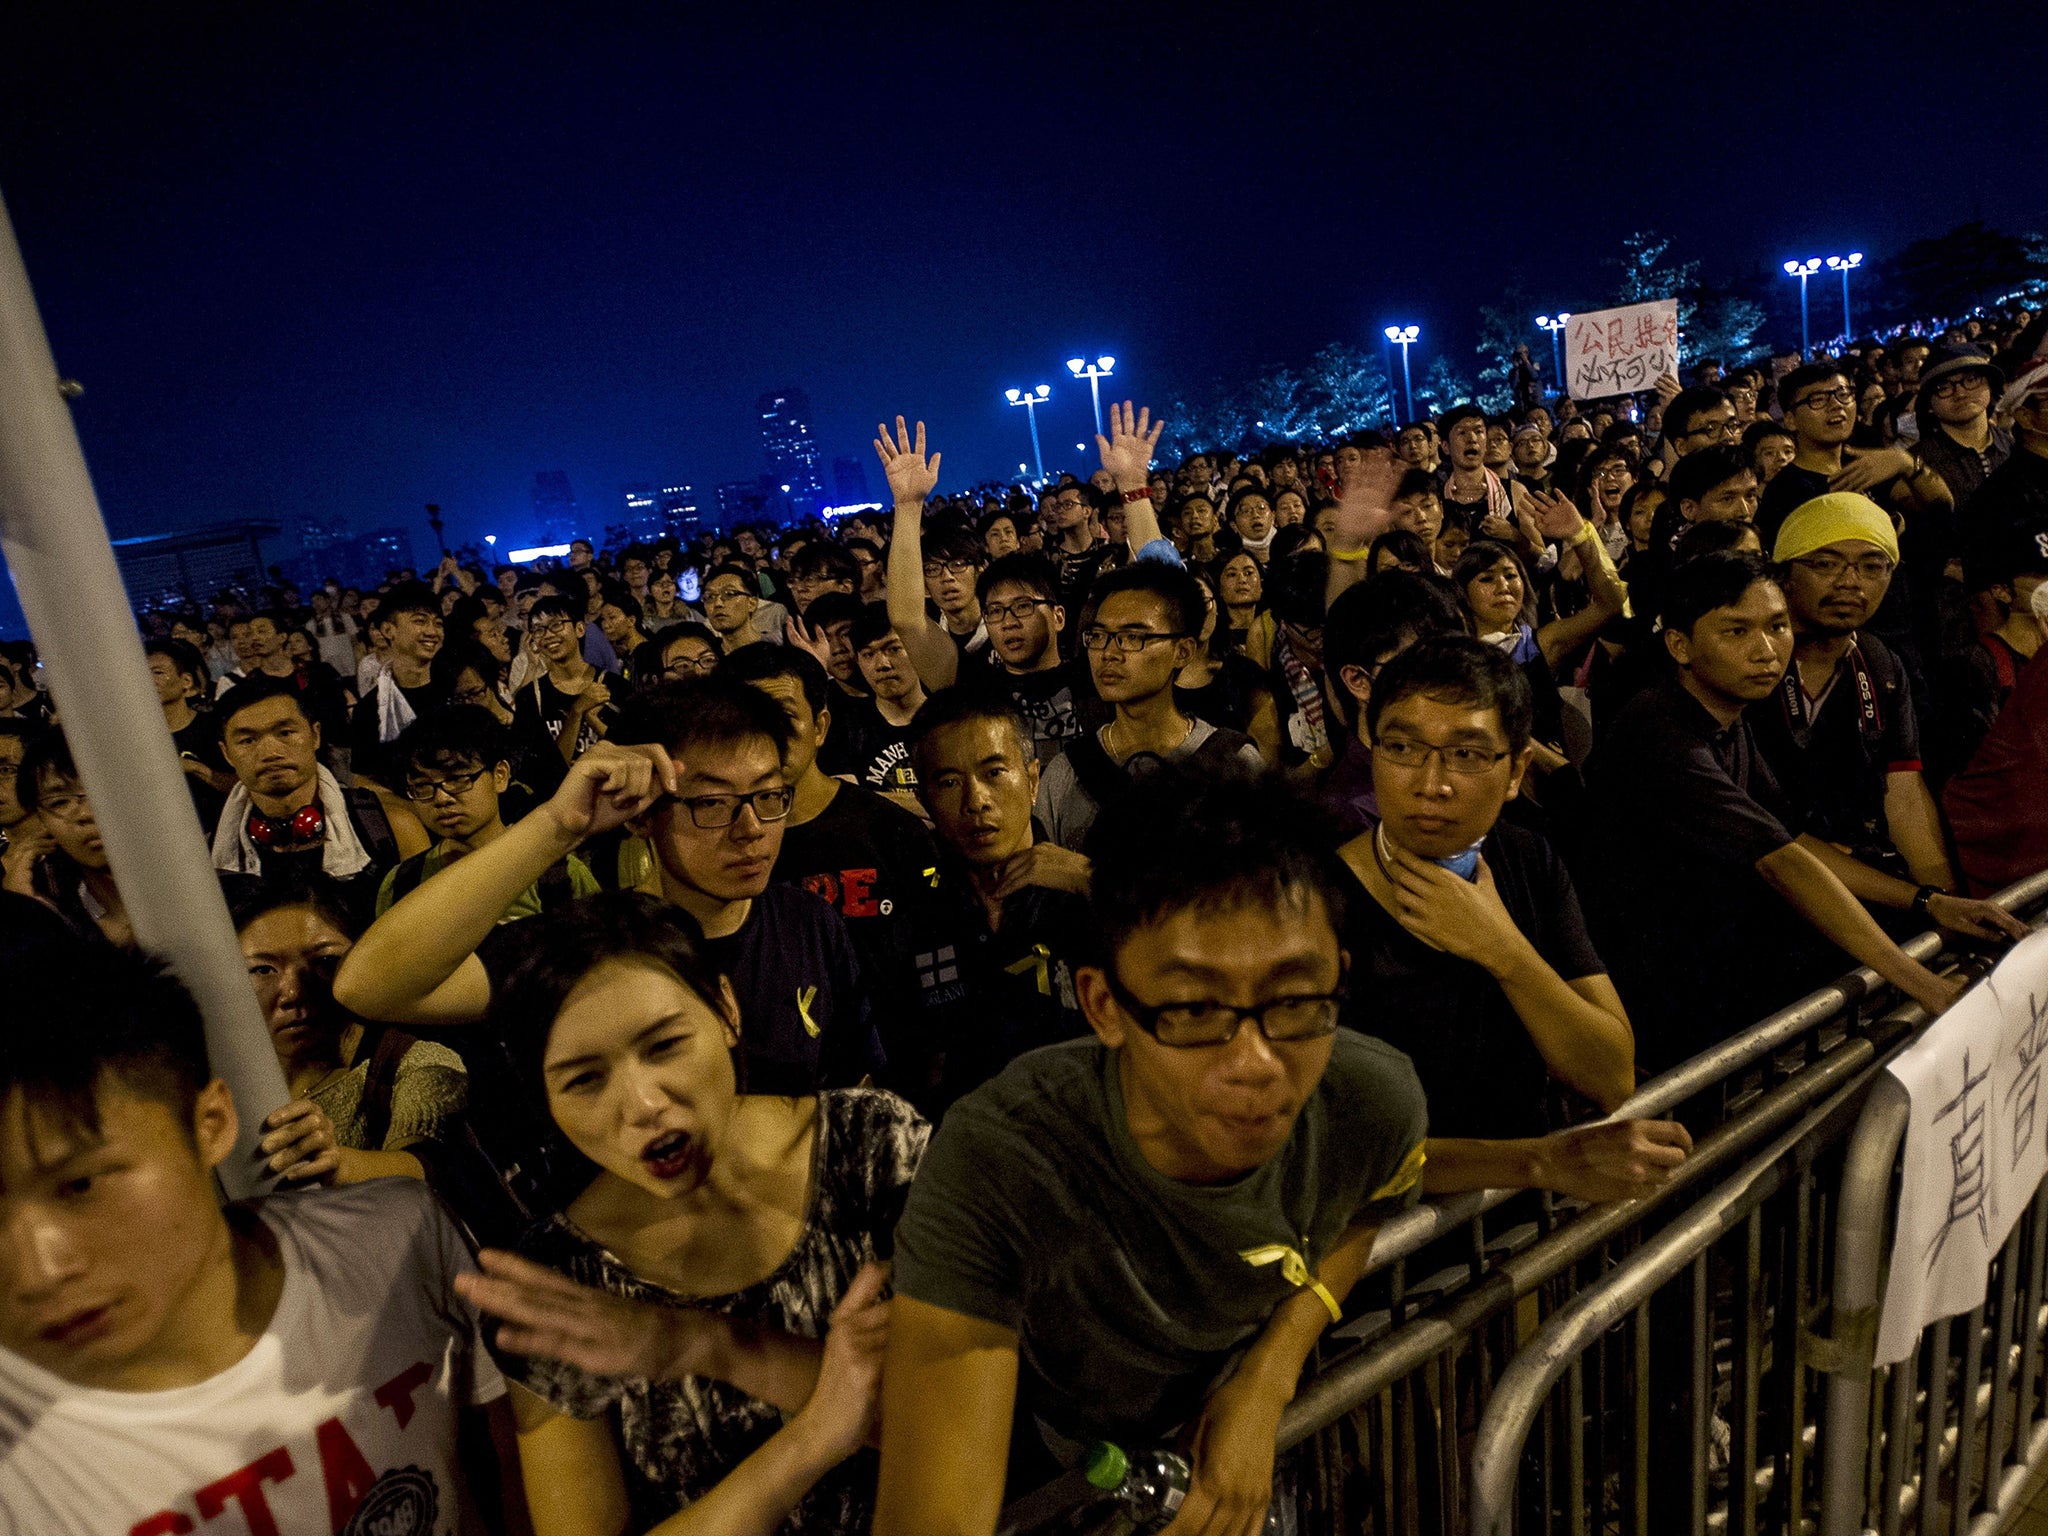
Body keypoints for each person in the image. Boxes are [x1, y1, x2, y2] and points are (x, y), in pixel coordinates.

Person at [875, 762, 1429, 1533]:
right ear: (1103, 1006)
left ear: (1338, 976)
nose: (1255, 1062)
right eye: (1194, 1007)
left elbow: (1372, 1203)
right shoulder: (1006, 1157)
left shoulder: (1369, 1098)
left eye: (1295, 997)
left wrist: (1266, 1378)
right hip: (1065, 1450)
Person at [0, 933, 512, 1534]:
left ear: (210, 1124)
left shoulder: (392, 1242)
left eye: (81, 1185)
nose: (37, 1269)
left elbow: (514, 1467)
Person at [448, 893, 925, 1536]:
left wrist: (702, 1345)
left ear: (726, 1011)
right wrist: (809, 1439)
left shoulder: (872, 1149)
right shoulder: (559, 1287)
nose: (643, 1104)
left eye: (666, 1045)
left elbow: (965, 1413)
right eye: (585, 1080)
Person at [1578, 553, 2025, 1076]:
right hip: (1657, 998)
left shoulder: (1725, 714)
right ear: (1680, 645)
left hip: (1709, 972)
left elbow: (1791, 836)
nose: (1766, 651)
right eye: (1736, 632)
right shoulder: (1663, 734)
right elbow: (1782, 861)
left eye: (1777, 626)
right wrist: (1925, 985)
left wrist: (1929, 902)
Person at [335, 677, 884, 1098]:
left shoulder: (806, 920)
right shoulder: (591, 946)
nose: (752, 831)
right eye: (712, 804)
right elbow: (372, 984)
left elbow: (851, 1083)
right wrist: (556, 825)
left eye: (769, 796)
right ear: (643, 813)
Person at [1335, 637, 1691, 1196]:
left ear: (1516, 769)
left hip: (1511, 1236)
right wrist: (1533, 1163)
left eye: (1468, 754)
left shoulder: (1527, 859)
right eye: (1401, 747)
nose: (1432, 784)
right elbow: (1324, 1144)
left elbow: (1610, 1074)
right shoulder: (1315, 900)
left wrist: (1502, 948)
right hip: (1375, 1247)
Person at [723, 644, 942, 1088]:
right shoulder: (723, 846)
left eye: (783, 715)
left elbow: (935, 951)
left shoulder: (890, 831)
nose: (767, 734)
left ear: (820, 725)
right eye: (748, 718)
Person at [897, 688, 1092, 1111]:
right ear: (923, 799)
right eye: (949, 782)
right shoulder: (913, 912)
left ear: (1034, 778)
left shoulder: (1087, 891)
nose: (976, 801)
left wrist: (1095, 882)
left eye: (994, 773)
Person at [1749, 495, 1955, 889]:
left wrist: (1944, 898)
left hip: (1859, 876)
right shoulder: (1751, 660)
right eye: (1825, 564)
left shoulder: (1880, 664)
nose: (1849, 582)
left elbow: (1904, 795)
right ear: (1784, 573)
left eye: (1872, 566)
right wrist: (1921, 902)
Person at [236, 882, 469, 1185]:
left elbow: (421, 1166)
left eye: (325, 962)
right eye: (263, 969)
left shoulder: (409, 1064)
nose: (293, 992)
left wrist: (338, 1165)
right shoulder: (225, 1083)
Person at [1036, 563, 1262, 852]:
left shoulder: (1234, 763)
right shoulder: (1067, 773)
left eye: (1133, 637)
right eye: (1098, 636)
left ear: (1183, 651)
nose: (1109, 653)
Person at [211, 675, 407, 923]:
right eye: (248, 740)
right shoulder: (210, 851)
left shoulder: (388, 826)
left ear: (315, 735)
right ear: (226, 753)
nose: (270, 752)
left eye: (285, 732)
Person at [377, 704, 600, 920]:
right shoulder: (402, 883)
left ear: (500, 775)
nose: (442, 798)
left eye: (456, 779)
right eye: (423, 786)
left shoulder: (557, 875)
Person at [1317, 569, 1467, 839]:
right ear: (1359, 681)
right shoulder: (1349, 814)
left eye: (1451, 659)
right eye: (1421, 663)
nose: (1447, 678)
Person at [2, 730, 135, 947]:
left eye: (99, 792)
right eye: (59, 802)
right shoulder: (42, 897)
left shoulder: (200, 873)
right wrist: (24, 912)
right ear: (41, 819)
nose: (85, 814)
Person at [510, 593, 622, 795]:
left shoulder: (614, 685)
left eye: (555, 625)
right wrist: (577, 711)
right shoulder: (530, 697)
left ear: (579, 629)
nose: (548, 635)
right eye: (538, 629)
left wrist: (594, 721)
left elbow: (630, 750)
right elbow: (546, 773)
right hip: (565, 807)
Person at [347, 580, 448, 790]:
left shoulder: (457, 690)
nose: (432, 631)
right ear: (388, 630)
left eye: (438, 623)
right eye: (420, 621)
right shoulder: (370, 709)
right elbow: (364, 779)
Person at [845, 605, 929, 811]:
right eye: (868, 654)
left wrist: (873, 798)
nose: (882, 664)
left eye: (893, 649)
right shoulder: (847, 725)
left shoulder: (949, 719)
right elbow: (848, 803)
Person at [1911, 345, 2010, 508]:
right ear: (1929, 402)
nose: (1960, 393)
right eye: (1944, 388)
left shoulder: (2014, 448)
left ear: (1990, 385)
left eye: (1971, 380)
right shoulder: (1919, 464)